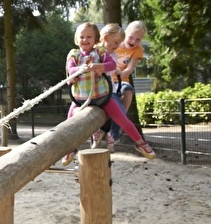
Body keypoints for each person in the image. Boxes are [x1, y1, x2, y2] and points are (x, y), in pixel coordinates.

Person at [62, 22, 156, 166]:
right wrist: (80, 70)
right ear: (76, 38)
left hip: (101, 96)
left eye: (89, 37)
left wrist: (100, 66)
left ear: (95, 39)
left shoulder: (100, 52)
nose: (85, 40)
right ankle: (69, 148)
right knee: (68, 122)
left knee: (122, 117)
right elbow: (71, 69)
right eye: (82, 37)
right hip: (81, 97)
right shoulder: (73, 54)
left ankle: (141, 143)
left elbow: (112, 65)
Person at [90, 23, 127, 152]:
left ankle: (111, 134)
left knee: (120, 110)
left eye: (119, 43)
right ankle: (96, 133)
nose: (117, 46)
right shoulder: (94, 51)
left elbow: (109, 69)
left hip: (108, 89)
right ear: (105, 37)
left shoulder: (114, 54)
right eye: (115, 42)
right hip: (94, 90)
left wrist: (114, 69)